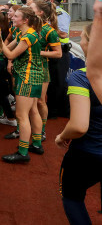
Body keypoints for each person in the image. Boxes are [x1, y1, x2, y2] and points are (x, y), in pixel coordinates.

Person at [56, 22, 100, 225]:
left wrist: (61, 136)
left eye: (82, 37)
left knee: (72, 197)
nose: (79, 41)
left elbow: (78, 126)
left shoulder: (81, 77)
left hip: (88, 153)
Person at [1, 7, 44, 162]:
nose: (12, 17)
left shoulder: (29, 36)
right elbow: (7, 48)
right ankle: (37, 144)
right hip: (32, 76)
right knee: (32, 110)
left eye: (16, 16)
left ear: (25, 20)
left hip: (28, 77)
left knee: (21, 115)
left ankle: (23, 152)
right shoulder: (22, 33)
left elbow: (11, 54)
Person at [29, 0, 62, 140]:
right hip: (26, 68)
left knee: (40, 101)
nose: (28, 10)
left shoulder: (49, 31)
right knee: (28, 102)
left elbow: (58, 53)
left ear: (40, 12)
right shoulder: (28, 27)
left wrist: (38, 52)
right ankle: (28, 129)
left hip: (41, 69)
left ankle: (41, 130)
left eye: (31, 8)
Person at [44, 0, 71, 118]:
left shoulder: (61, 14)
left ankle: (62, 111)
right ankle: (53, 109)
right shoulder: (49, 14)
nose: (44, 1)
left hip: (61, 51)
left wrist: (49, 26)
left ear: (52, 0)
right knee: (52, 82)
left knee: (59, 82)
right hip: (52, 51)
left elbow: (63, 33)